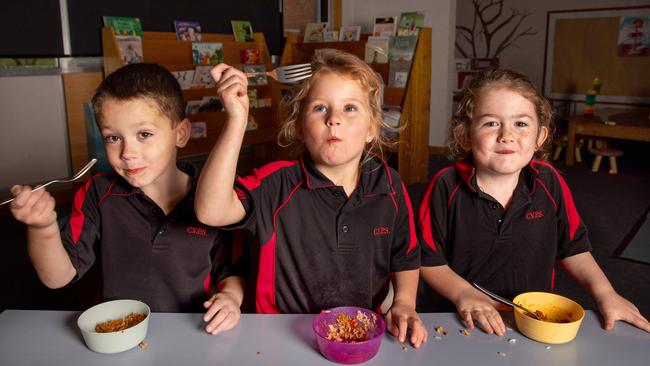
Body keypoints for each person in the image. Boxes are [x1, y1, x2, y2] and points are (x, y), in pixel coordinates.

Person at [195, 49, 427, 347]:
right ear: (300, 128)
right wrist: (237, 120)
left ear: (372, 128)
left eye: (350, 108)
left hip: (360, 335)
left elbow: (405, 255)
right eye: (319, 108)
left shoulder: (389, 185)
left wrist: (405, 302)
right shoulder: (275, 184)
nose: (334, 120)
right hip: (277, 337)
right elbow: (210, 212)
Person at [8, 63, 246, 335]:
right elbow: (57, 277)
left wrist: (231, 299)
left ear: (180, 133)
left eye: (144, 134)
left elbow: (230, 271)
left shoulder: (216, 199)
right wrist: (43, 228)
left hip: (195, 332)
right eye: (113, 137)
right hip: (118, 336)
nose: (127, 152)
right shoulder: (98, 193)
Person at [418, 68, 650, 335]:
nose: (507, 135)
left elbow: (574, 248)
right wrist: (464, 294)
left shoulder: (550, 182)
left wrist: (606, 294)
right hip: (457, 320)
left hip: (530, 321)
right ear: (465, 136)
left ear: (540, 137)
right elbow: (427, 259)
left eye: (520, 123)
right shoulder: (445, 186)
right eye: (491, 123)